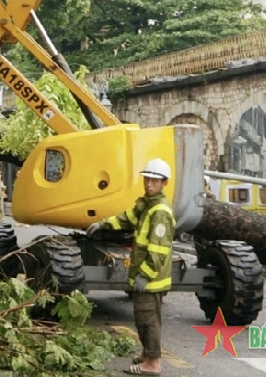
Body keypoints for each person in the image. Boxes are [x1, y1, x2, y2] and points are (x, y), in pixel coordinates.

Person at [86, 158, 175, 376]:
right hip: (146, 275)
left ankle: (152, 364)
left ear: (164, 183)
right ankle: (147, 354)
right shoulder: (147, 205)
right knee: (144, 317)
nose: (148, 184)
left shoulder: (160, 212)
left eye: (154, 180)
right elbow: (126, 218)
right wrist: (103, 224)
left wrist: (144, 275)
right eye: (147, 179)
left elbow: (158, 251)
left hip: (151, 277)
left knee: (148, 319)